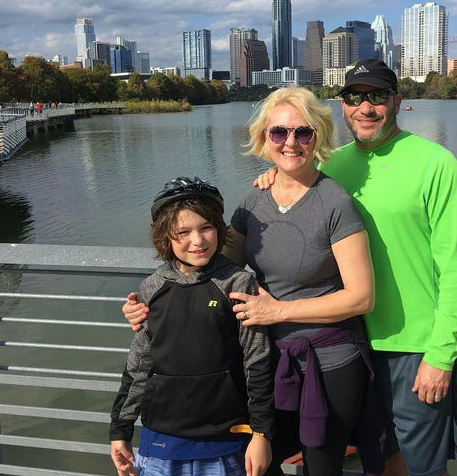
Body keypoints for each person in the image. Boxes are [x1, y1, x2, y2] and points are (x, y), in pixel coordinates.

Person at [124, 87, 384, 476]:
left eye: (303, 132)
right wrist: (148, 306)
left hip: (329, 363)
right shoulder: (253, 200)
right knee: (257, 462)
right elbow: (208, 270)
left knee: (323, 464)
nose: (291, 142)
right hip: (263, 362)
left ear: (319, 137)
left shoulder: (335, 202)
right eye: (279, 132)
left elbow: (361, 298)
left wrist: (278, 310)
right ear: (265, 137)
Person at [259, 60, 457, 476]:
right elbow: (296, 189)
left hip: (414, 346)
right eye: (354, 97)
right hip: (347, 344)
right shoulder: (332, 164)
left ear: (397, 101)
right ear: (341, 106)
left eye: (377, 96)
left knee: (422, 466)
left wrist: (442, 355)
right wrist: (273, 175)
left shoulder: (436, 162)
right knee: (381, 458)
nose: (366, 107)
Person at [110, 177, 274, 476]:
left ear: (220, 229)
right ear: (164, 237)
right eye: (182, 232)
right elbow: (138, 365)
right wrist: (120, 429)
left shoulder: (237, 284)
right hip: (161, 441)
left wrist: (262, 434)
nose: (197, 241)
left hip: (227, 439)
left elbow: (258, 362)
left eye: (206, 228)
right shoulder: (153, 288)